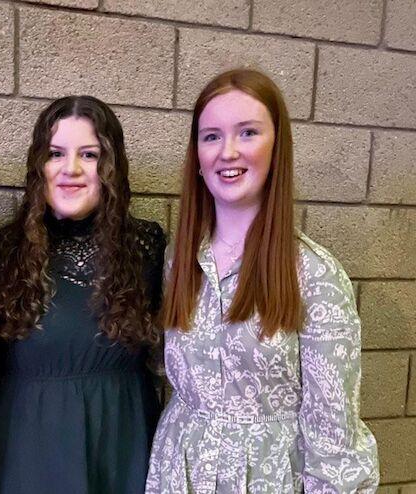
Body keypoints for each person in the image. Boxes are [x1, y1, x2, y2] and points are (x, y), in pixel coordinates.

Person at [145, 68, 379, 493]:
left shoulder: (315, 276)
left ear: (277, 147)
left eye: (248, 132)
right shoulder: (178, 260)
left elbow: (333, 437)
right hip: (180, 473)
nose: (228, 151)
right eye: (211, 136)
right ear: (197, 156)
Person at [0, 95, 166, 494]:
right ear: (38, 166)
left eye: (90, 155)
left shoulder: (146, 247)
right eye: (56, 154)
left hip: (121, 450)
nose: (71, 169)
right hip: (28, 455)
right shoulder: (1, 252)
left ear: (112, 167)